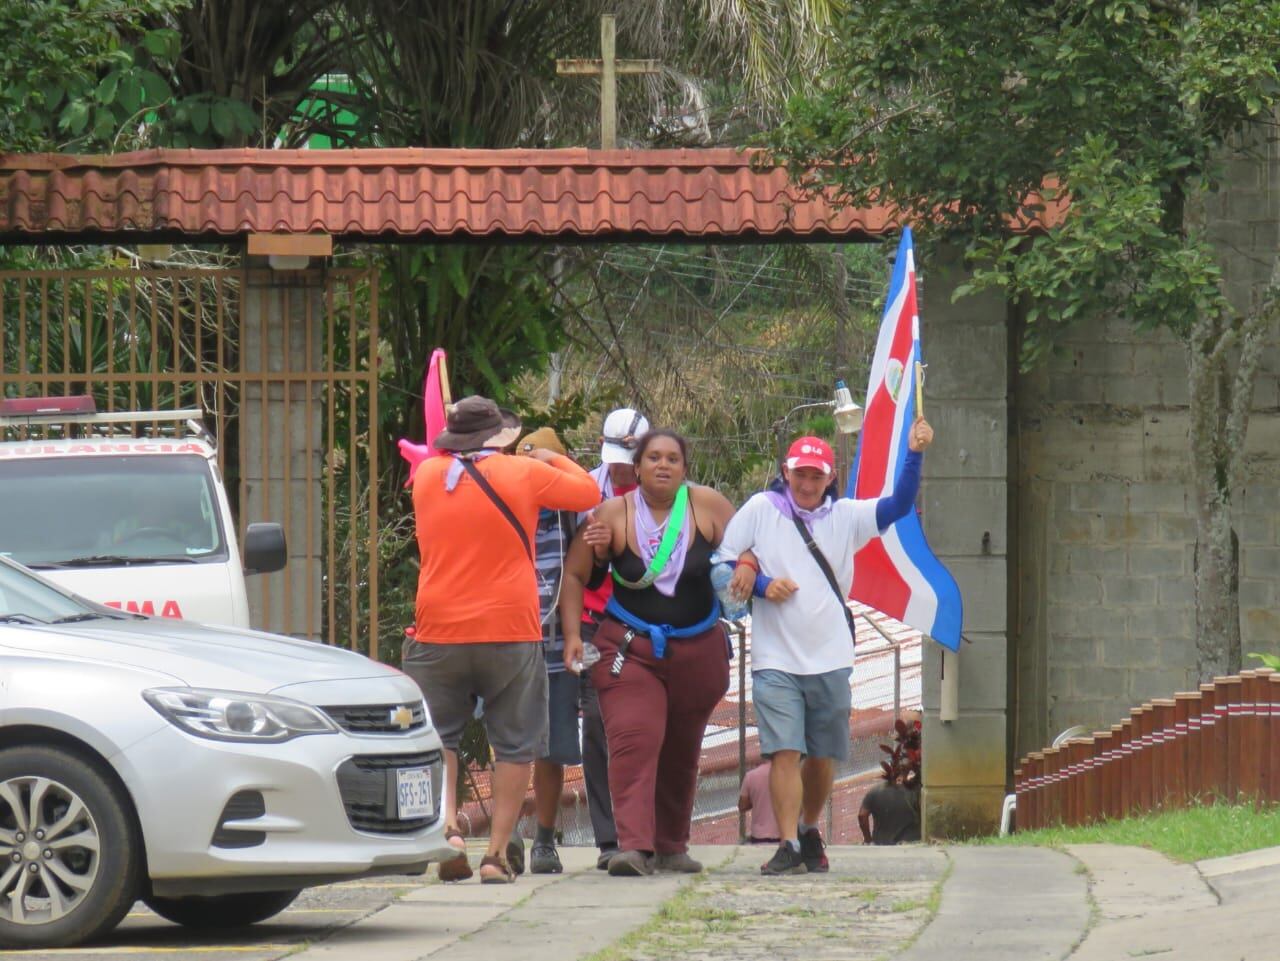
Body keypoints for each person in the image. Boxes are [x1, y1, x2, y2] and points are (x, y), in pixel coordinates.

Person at [719, 418, 934, 876]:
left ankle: (809, 828)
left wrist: (914, 453)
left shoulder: (846, 516)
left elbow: (898, 504)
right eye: (800, 474)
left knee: (821, 754)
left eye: (816, 476)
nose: (807, 484)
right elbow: (721, 560)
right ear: (785, 471)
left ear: (830, 477)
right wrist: (759, 582)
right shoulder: (761, 509)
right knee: (783, 751)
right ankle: (788, 843)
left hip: (830, 657)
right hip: (775, 657)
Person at [402, 396, 599, 884]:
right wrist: (549, 457)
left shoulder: (427, 477)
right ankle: (494, 855)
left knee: (439, 736)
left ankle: (449, 828)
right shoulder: (523, 473)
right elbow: (587, 492)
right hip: (510, 628)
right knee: (514, 744)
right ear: (500, 437)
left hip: (438, 627)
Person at [560, 428, 735, 877]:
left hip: (698, 652)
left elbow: (748, 554)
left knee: (682, 749)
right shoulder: (612, 514)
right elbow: (576, 574)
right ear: (636, 467)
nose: (663, 465)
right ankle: (633, 847)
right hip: (630, 651)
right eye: (653, 457)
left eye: (672, 459)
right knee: (634, 740)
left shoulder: (709, 507)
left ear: (685, 469)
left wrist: (749, 571)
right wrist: (573, 635)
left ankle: (672, 846)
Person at [577, 407, 649, 869]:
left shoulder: (663, 493)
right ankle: (609, 839)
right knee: (597, 725)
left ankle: (645, 832)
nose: (621, 470)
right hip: (593, 621)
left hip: (645, 622)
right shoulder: (585, 490)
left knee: (644, 727)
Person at [513, 427, 581, 874]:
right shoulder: (504, 510)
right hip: (510, 647)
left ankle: (543, 838)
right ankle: (506, 834)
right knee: (510, 743)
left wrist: (555, 462)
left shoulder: (571, 515)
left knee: (552, 750)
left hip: (558, 648)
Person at [859, 717, 923, 844]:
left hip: (882, 845)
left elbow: (862, 815)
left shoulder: (875, 792)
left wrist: (868, 839)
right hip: (912, 844)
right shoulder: (918, 790)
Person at [738, 759, 781, 845]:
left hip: (759, 835)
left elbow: (742, 806)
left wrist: (756, 799)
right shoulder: (788, 775)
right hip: (782, 834)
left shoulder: (751, 776)